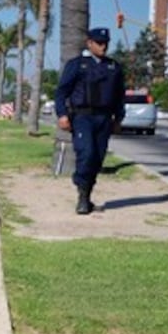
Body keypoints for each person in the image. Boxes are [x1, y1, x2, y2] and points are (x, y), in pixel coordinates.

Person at [55, 26, 126, 215]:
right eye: (99, 43)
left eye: (106, 43)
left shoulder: (114, 67)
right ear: (89, 43)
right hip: (82, 117)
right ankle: (82, 194)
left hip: (104, 118)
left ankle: (86, 193)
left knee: (97, 159)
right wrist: (62, 114)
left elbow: (119, 95)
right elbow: (62, 92)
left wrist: (118, 118)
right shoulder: (77, 65)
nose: (103, 47)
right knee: (86, 153)